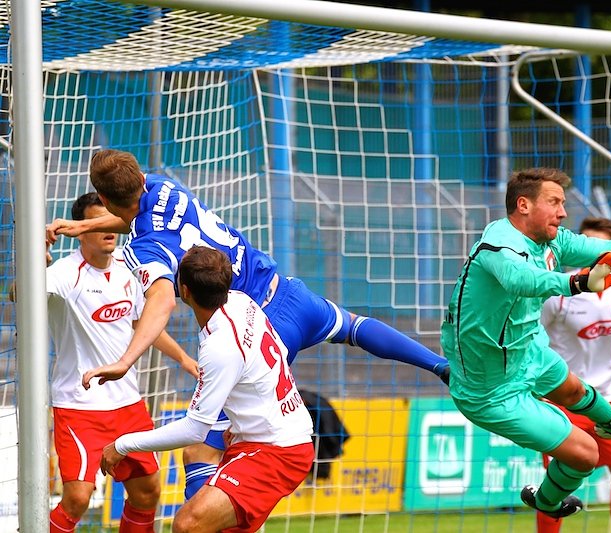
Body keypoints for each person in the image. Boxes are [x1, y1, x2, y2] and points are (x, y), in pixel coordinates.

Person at [45, 148, 449, 499]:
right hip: (290, 293)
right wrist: (85, 225)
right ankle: (439, 365)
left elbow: (162, 298)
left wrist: (126, 359)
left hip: (256, 328)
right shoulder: (164, 187)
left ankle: (210, 516)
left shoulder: (145, 250)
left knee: (199, 450)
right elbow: (137, 213)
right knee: (354, 327)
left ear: (102, 196)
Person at [441, 168, 611, 520]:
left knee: (573, 390)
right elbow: (520, 279)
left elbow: (610, 248)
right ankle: (546, 501)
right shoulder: (499, 242)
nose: (563, 212)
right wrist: (579, 283)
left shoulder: (552, 241)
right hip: (490, 391)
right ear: (523, 205)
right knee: (585, 455)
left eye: (562, 203)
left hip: (528, 352)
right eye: (554, 202)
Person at [99, 246, 314, 533]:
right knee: (197, 454)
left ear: (184, 291)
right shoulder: (241, 301)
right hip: (264, 436)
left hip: (276, 451)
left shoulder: (220, 346)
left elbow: (194, 428)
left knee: (188, 524)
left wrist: (123, 444)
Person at [44, 193, 196, 533]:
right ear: (80, 231)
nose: (107, 230)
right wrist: (36, 261)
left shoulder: (129, 272)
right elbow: (17, 294)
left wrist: (185, 358)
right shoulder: (64, 274)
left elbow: (146, 328)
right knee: (77, 499)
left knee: (147, 492)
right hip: (78, 405)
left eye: (108, 222)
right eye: (96, 223)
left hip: (128, 406)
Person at [538, 217, 611, 533]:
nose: (593, 253)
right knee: (557, 484)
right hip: (563, 398)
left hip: (607, 397)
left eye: (601, 247)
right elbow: (533, 336)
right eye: (587, 245)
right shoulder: (558, 290)